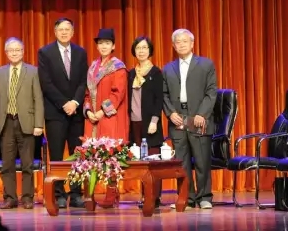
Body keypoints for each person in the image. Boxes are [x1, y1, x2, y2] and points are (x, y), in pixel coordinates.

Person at [162, 29, 218, 210]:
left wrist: (202, 114)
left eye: (185, 41)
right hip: (178, 118)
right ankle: (186, 198)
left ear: (192, 44)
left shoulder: (206, 64)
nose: (181, 44)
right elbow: (164, 94)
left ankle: (204, 197)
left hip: (198, 117)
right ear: (173, 46)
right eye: (178, 42)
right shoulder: (167, 68)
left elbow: (211, 92)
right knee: (182, 162)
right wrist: (170, 113)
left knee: (202, 161)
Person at [37, 18, 88, 209]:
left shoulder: (81, 52)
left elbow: (83, 81)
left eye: (68, 29)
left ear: (73, 32)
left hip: (76, 113)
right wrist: (64, 103)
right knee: (57, 156)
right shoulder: (45, 52)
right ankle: (58, 193)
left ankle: (76, 194)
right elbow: (46, 83)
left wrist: (75, 102)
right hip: (55, 112)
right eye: (61, 29)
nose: (64, 32)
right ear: (55, 31)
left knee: (77, 155)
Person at [0, 37, 44, 210]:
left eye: (17, 50)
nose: (14, 53)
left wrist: (39, 124)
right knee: (7, 164)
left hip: (27, 122)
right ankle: (10, 198)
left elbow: (38, 98)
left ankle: (27, 197)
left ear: (23, 52)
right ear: (6, 53)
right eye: (11, 50)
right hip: (6, 122)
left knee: (27, 164)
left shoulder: (33, 71)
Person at [82, 28, 128, 208]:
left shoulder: (118, 67)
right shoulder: (92, 67)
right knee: (90, 156)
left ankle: (112, 193)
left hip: (109, 118)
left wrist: (101, 111)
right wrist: (88, 111)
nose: (103, 46)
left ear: (113, 46)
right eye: (100, 43)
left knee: (110, 155)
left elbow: (117, 94)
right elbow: (87, 94)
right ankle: (89, 194)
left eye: (107, 43)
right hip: (92, 119)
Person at [127, 36, 164, 208]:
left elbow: (159, 99)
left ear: (150, 51)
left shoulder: (156, 73)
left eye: (144, 48)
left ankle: (154, 197)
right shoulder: (131, 74)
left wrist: (154, 121)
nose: (141, 51)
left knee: (153, 162)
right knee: (141, 162)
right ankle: (145, 196)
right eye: (138, 48)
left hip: (150, 123)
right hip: (134, 122)